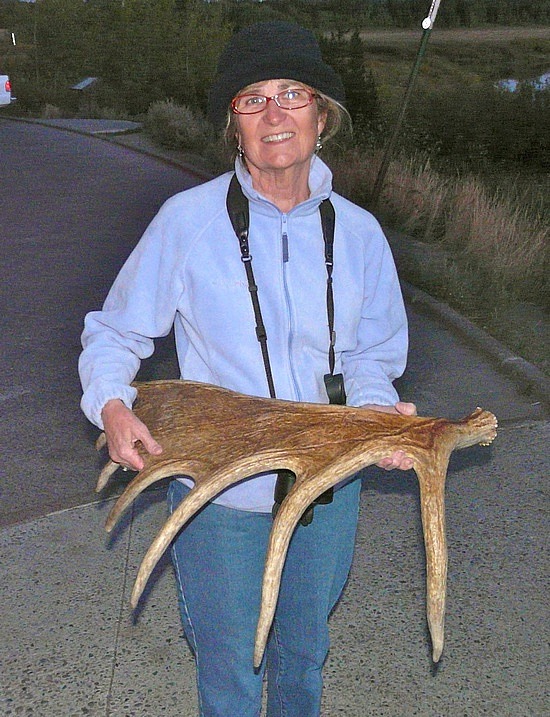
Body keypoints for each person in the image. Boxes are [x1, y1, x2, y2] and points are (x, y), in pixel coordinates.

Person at [79, 21, 415, 717]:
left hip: (326, 495)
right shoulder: (187, 221)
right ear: (233, 125)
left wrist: (378, 414)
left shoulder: (357, 234)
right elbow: (113, 332)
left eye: (292, 93)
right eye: (251, 99)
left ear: (321, 115)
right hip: (218, 503)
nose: (274, 113)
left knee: (303, 660)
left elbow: (370, 356)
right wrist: (112, 405)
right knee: (231, 673)